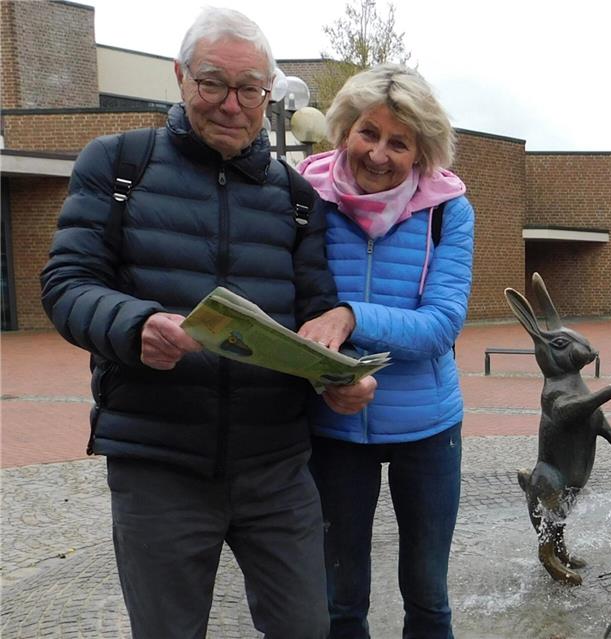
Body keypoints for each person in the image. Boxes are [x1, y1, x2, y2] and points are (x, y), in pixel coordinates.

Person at [39, 8, 375, 638]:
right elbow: (65, 285)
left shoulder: (298, 198)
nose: (232, 104)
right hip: (158, 462)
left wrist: (339, 370)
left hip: (276, 466)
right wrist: (133, 324)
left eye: (251, 89)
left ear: (268, 93)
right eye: (213, 83)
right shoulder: (117, 166)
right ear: (180, 77)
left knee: (306, 628)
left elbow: (316, 310)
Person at [297, 62, 474, 639]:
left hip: (426, 426)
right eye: (368, 133)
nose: (379, 154)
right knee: (340, 600)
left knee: (427, 596)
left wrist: (350, 316)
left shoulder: (448, 211)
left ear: (421, 151)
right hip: (334, 428)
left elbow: (442, 325)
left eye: (400, 142)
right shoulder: (307, 200)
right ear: (345, 129)